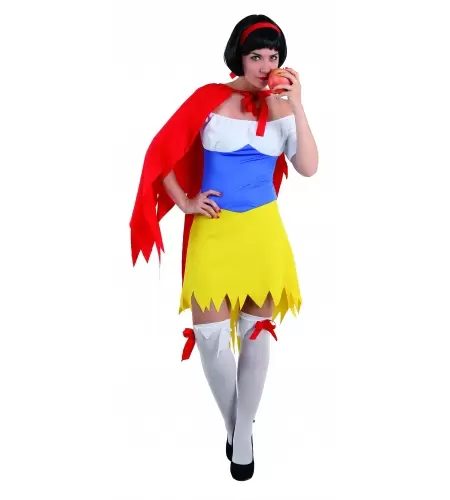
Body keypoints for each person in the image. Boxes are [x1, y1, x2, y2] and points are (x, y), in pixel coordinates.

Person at [130, 14, 318, 481]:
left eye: (274, 56)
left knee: (256, 333)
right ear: (239, 56)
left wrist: (297, 105)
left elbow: (309, 166)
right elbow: (160, 152)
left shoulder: (282, 108)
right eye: (257, 56)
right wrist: (185, 200)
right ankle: (237, 424)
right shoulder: (208, 100)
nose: (266, 65)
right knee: (210, 338)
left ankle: (242, 436)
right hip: (214, 232)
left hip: (263, 234)